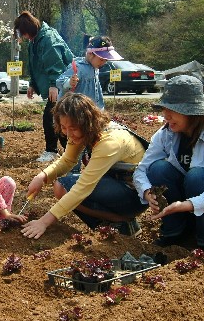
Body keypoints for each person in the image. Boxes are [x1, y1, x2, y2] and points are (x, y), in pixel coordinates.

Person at [133, 75, 204, 255]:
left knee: (197, 176)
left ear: (192, 112)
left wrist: (188, 205)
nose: (166, 115)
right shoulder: (165, 134)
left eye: (173, 110)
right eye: (164, 108)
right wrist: (146, 192)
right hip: (188, 205)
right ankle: (175, 232)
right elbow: (142, 170)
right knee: (158, 168)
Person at [21, 92, 148, 239]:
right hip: (115, 185)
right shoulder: (84, 132)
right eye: (63, 127)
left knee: (66, 187)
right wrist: (42, 177)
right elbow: (67, 160)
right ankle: (115, 224)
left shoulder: (109, 142)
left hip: (136, 195)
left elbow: (82, 188)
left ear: (86, 122)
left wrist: (44, 221)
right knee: (62, 186)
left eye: (73, 128)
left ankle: (122, 222)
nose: (68, 134)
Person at [14, 11, 74, 162]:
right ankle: (68, 150)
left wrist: (54, 85)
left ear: (29, 30)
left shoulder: (48, 39)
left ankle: (54, 150)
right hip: (58, 84)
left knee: (51, 118)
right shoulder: (34, 41)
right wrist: (32, 85)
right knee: (58, 118)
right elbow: (34, 66)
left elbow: (56, 64)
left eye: (24, 34)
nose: (24, 37)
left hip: (64, 84)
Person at [56, 35, 123, 110]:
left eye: (106, 60)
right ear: (90, 54)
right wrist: (69, 82)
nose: (103, 63)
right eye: (101, 59)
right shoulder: (79, 67)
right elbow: (59, 81)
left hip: (91, 111)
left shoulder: (95, 67)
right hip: (76, 112)